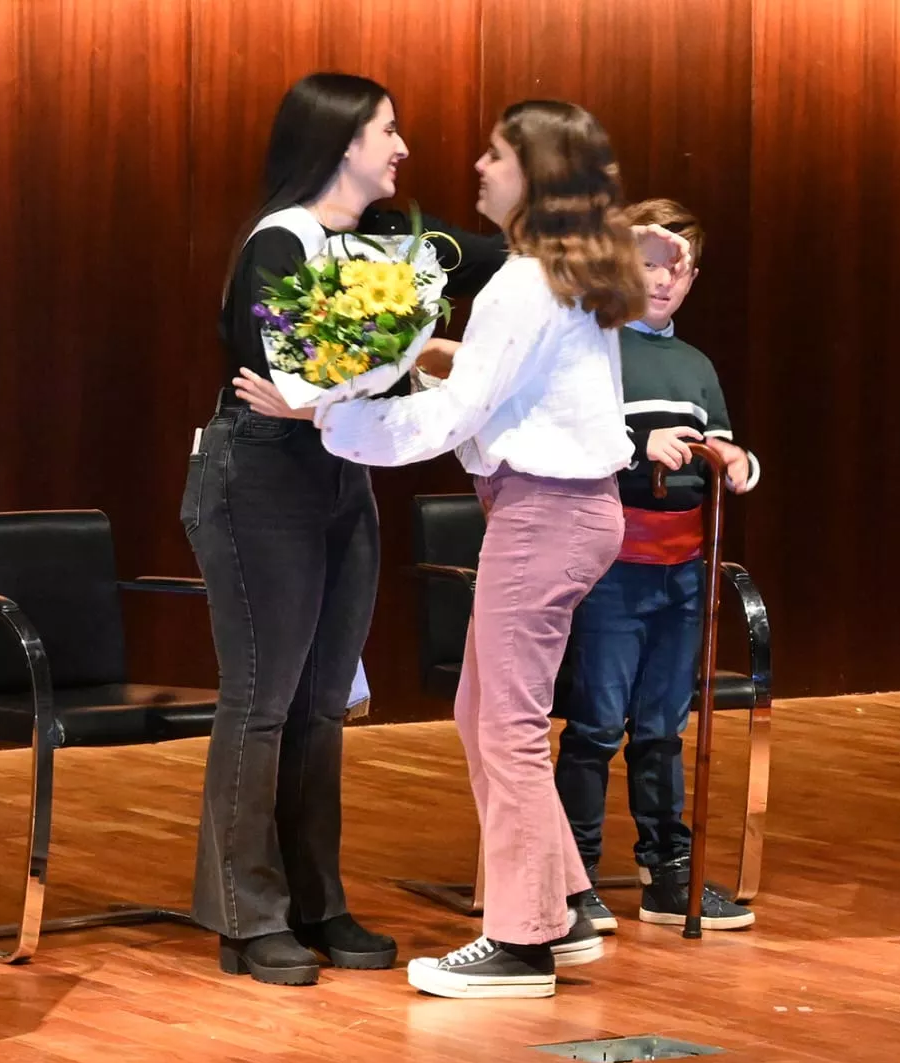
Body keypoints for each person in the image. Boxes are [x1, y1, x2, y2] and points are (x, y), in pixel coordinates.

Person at [237, 99, 685, 999]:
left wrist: (327, 411)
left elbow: (457, 414)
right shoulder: (558, 274)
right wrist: (401, 364)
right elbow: (489, 377)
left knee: (505, 727)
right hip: (562, 510)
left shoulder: (526, 280)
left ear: (537, 174)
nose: (476, 168)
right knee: (486, 713)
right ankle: (563, 904)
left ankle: (520, 943)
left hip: (544, 513)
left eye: (494, 156)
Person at [180, 71, 504, 987]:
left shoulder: (394, 242)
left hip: (339, 473)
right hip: (258, 481)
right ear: (340, 143)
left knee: (324, 705)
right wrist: (378, 377)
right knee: (263, 701)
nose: (402, 148)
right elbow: (295, 369)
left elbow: (505, 260)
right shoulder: (277, 244)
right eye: (387, 131)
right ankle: (249, 919)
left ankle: (319, 902)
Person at [553, 198, 758, 935]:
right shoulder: (592, 347)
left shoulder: (695, 363)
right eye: (647, 266)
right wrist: (639, 447)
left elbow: (726, 449)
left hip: (684, 568)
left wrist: (735, 461)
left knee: (665, 727)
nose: (663, 282)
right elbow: (569, 443)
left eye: (678, 270)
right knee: (598, 725)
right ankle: (572, 879)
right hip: (612, 564)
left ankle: (669, 872)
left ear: (694, 277)